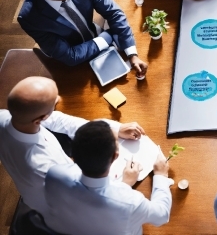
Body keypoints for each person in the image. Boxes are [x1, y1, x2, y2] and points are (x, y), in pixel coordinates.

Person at [0, 76, 145, 215]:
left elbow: (57, 120)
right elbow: (91, 197)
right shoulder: (46, 166)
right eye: (55, 104)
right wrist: (125, 184)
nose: (60, 99)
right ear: (40, 119)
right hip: (60, 207)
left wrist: (113, 130)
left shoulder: (10, 116)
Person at [18, 0, 148, 78]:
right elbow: (70, 57)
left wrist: (132, 54)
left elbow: (113, 13)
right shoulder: (29, 19)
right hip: (67, 62)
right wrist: (107, 36)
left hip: (94, 36)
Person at [43, 121, 172, 235]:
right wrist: (161, 175)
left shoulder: (54, 174)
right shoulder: (130, 202)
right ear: (115, 156)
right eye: (117, 141)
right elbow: (161, 215)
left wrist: (125, 185)